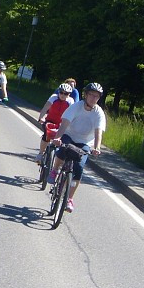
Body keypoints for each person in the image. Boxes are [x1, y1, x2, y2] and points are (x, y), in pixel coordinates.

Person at [48, 82, 106, 213]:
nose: (93, 98)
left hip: (85, 142)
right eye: (91, 95)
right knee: (62, 150)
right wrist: (58, 137)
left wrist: (96, 147)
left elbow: (98, 132)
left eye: (96, 96)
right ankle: (55, 170)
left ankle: (69, 198)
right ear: (86, 95)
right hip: (69, 134)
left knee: (79, 168)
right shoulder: (76, 106)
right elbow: (64, 123)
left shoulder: (99, 113)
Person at [36, 82, 74, 163]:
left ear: (69, 94)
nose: (63, 95)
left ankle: (59, 162)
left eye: (66, 93)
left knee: (64, 141)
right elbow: (46, 107)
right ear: (58, 92)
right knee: (46, 136)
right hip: (50, 121)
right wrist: (41, 117)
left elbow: (73, 114)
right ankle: (40, 153)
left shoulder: (70, 101)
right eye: (61, 92)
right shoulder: (54, 98)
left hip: (62, 124)